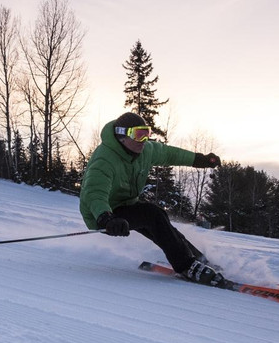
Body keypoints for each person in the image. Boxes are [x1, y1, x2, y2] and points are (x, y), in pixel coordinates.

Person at [79, 111, 226, 285]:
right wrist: (105, 218)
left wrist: (199, 160)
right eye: (138, 134)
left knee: (160, 221)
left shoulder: (145, 151)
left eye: (146, 133)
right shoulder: (104, 159)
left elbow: (170, 154)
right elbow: (94, 193)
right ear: (122, 137)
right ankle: (186, 265)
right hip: (104, 215)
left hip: (126, 205)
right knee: (152, 215)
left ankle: (195, 258)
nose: (144, 140)